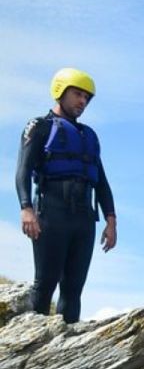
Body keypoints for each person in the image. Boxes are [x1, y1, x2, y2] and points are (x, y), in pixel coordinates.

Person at [15, 68, 118, 323]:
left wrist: (111, 221)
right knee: (46, 282)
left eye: (87, 97)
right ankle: (34, 348)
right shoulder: (39, 126)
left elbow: (101, 182)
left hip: (84, 218)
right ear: (60, 91)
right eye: (77, 94)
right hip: (51, 213)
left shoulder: (89, 136)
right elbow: (23, 170)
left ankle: (66, 343)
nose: (82, 101)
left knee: (73, 288)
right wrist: (26, 208)